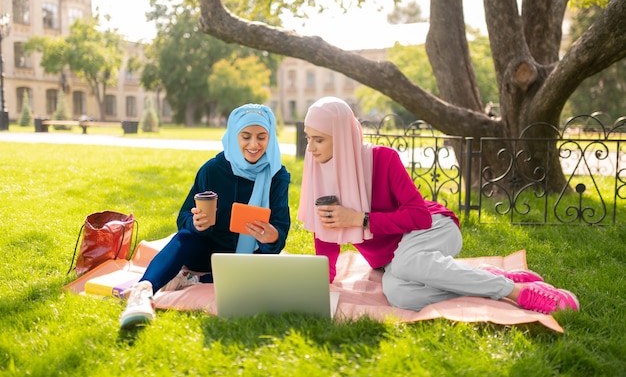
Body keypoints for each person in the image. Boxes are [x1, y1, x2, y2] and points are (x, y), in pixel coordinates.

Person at [297, 96, 579, 315]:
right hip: (394, 261)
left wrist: (362, 220)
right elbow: (326, 238)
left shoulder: (383, 159)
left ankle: (516, 292)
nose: (310, 148)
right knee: (400, 296)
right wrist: (322, 282)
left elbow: (419, 216)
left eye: (318, 139)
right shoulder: (320, 174)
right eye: (308, 138)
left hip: (432, 228)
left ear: (343, 137)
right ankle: (487, 278)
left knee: (409, 262)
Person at [120, 104, 291, 329]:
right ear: (233, 135)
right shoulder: (213, 169)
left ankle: (192, 280)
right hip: (205, 251)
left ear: (271, 138)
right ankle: (142, 293)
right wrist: (194, 223)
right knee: (185, 238)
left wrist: (272, 236)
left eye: (262, 137)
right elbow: (183, 217)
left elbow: (280, 227)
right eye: (245, 136)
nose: (254, 145)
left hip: (251, 258)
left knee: (273, 278)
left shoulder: (278, 176)